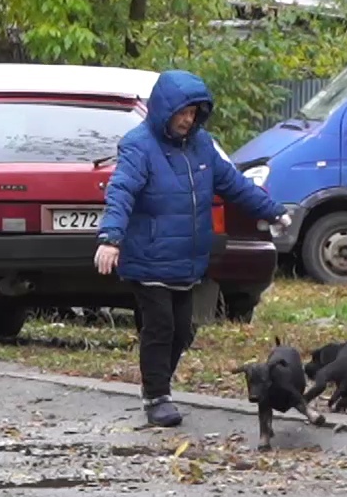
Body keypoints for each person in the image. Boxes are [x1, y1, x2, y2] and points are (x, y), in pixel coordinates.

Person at [94, 69, 290, 427]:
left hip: (187, 259)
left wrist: (272, 210)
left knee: (183, 330)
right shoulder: (139, 145)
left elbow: (233, 184)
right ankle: (156, 398)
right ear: (164, 109)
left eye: (194, 113)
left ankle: (159, 387)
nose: (188, 120)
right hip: (149, 255)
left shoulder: (203, 146)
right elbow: (120, 192)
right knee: (161, 327)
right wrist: (110, 239)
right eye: (182, 112)